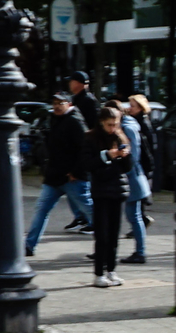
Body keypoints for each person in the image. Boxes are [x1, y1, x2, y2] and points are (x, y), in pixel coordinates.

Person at [23, 93, 92, 254]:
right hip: (54, 176)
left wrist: (77, 172)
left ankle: (107, 242)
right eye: (54, 102)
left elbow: (85, 149)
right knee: (41, 208)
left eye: (60, 102)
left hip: (71, 178)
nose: (56, 106)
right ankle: (28, 245)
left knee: (90, 210)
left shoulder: (75, 121)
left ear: (69, 104)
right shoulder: (54, 119)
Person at [85, 105, 134, 287]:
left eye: (115, 124)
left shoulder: (120, 137)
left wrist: (125, 155)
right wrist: (107, 156)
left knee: (114, 235)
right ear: (101, 123)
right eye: (109, 124)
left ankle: (111, 270)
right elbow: (89, 164)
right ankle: (99, 273)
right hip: (101, 191)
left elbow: (128, 167)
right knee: (102, 235)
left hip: (118, 191)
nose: (112, 128)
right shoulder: (90, 138)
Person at [117, 94, 154, 264]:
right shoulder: (131, 124)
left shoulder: (130, 126)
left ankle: (140, 252)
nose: (130, 108)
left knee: (134, 216)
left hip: (134, 176)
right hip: (136, 175)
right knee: (134, 215)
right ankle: (140, 252)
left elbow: (135, 154)